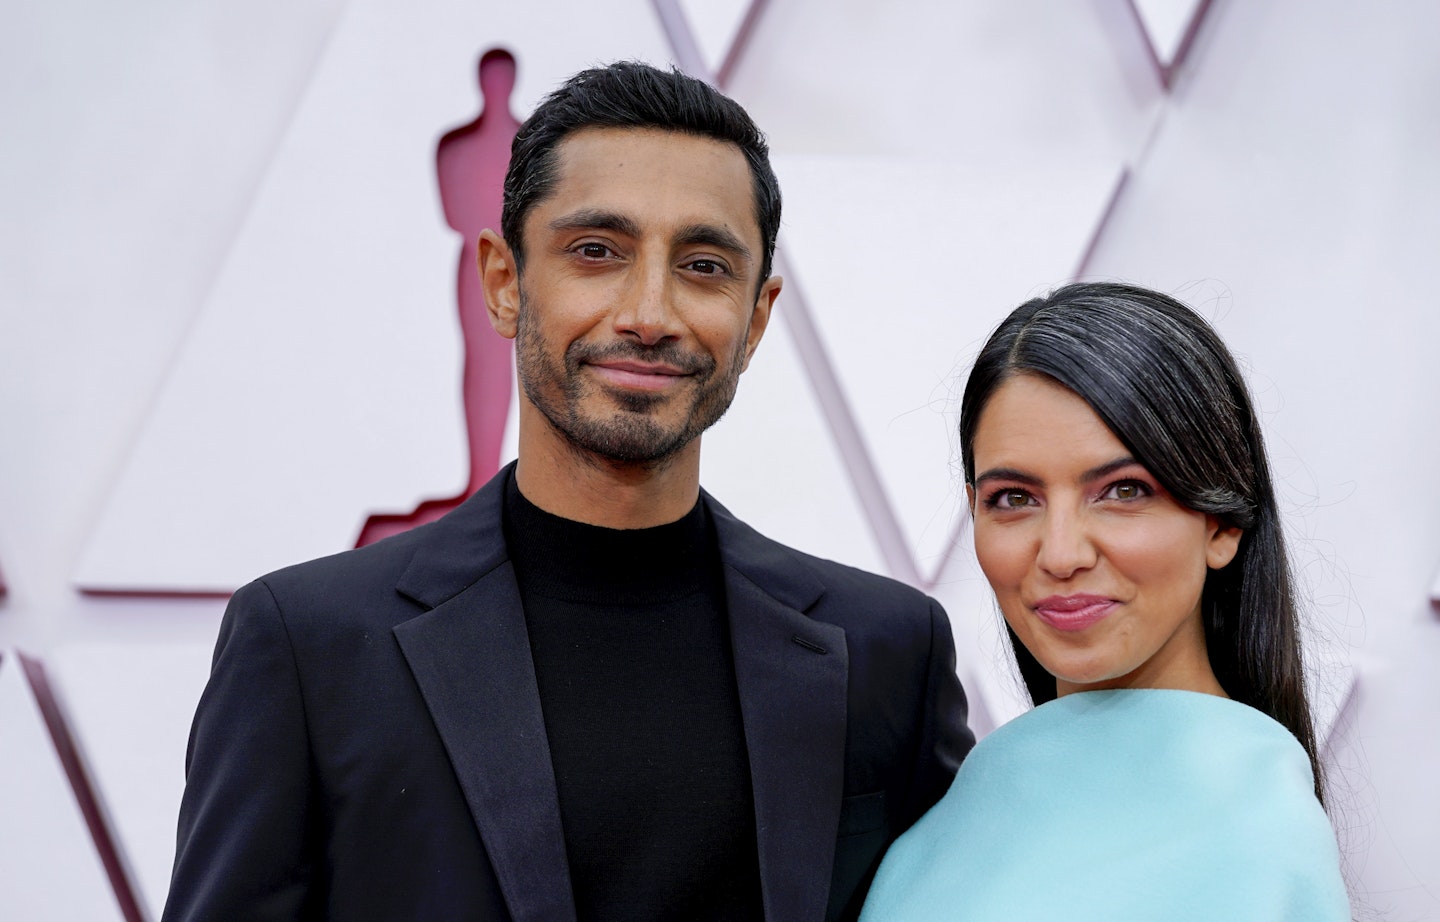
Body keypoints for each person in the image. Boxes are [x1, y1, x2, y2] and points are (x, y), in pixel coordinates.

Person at [163, 61, 973, 922]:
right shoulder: (308, 648)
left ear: (756, 319)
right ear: (505, 283)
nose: (649, 313)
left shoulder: (888, 652)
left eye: (703, 265)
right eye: (597, 252)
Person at [860, 283, 1349, 920]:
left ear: (1222, 523)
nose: (1061, 554)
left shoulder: (1255, 832)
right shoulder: (962, 803)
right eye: (1013, 498)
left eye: (1123, 491)